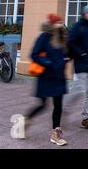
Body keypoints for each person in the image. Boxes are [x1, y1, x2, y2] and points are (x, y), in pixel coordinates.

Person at [25, 13, 68, 146]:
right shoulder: (44, 37)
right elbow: (34, 54)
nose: (60, 25)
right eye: (58, 23)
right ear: (52, 24)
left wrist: (67, 58)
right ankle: (25, 120)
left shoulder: (62, 37)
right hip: (46, 76)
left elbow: (67, 52)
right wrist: (48, 62)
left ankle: (56, 134)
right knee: (43, 105)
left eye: (61, 23)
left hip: (59, 76)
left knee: (58, 106)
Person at [67, 5, 88, 130]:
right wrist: (81, 53)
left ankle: (86, 119)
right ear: (85, 13)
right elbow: (70, 41)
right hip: (81, 64)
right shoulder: (78, 26)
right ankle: (62, 109)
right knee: (78, 90)